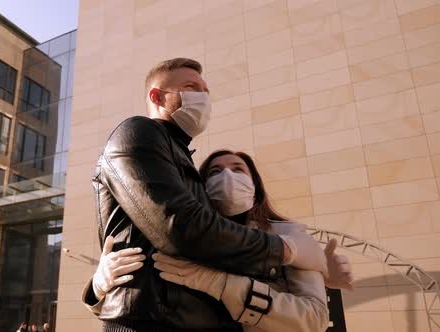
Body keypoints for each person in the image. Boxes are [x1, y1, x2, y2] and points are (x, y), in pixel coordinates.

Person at [82, 58, 330, 331]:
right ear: (157, 96)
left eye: (206, 91)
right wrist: (283, 251)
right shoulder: (140, 132)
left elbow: (313, 317)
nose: (203, 97)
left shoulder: (180, 158)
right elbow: (180, 227)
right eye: (191, 87)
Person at [89, 150, 354, 331]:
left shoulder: (291, 240)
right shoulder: (183, 238)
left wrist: (224, 285)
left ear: (255, 186)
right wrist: (99, 288)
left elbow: (314, 320)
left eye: (238, 169)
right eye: (214, 172)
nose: (227, 176)